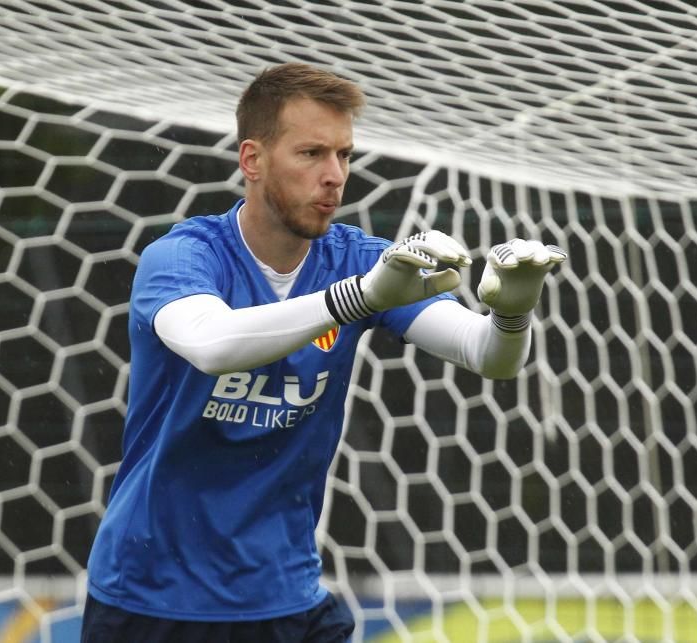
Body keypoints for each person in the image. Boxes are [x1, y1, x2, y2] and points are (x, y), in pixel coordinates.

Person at [81, 62, 565, 643]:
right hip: (153, 600)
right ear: (253, 160)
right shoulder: (185, 257)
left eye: (344, 155)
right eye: (312, 154)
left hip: (287, 599)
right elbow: (214, 345)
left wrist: (512, 313)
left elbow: (486, 355)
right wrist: (357, 298)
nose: (335, 176)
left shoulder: (360, 258)